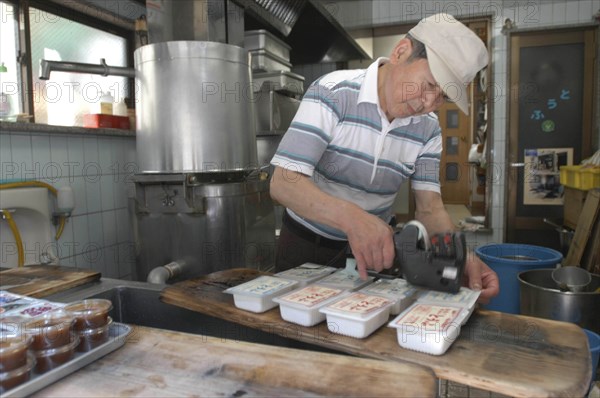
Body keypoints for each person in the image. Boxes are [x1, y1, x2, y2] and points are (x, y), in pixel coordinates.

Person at [269, 13, 499, 303]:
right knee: (297, 340)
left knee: (364, 338)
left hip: (375, 254)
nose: (430, 103)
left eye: (443, 97)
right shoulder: (333, 93)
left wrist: (461, 255)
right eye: (429, 84)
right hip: (307, 245)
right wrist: (353, 219)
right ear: (401, 52)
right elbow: (283, 183)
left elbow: (429, 209)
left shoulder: (428, 128)